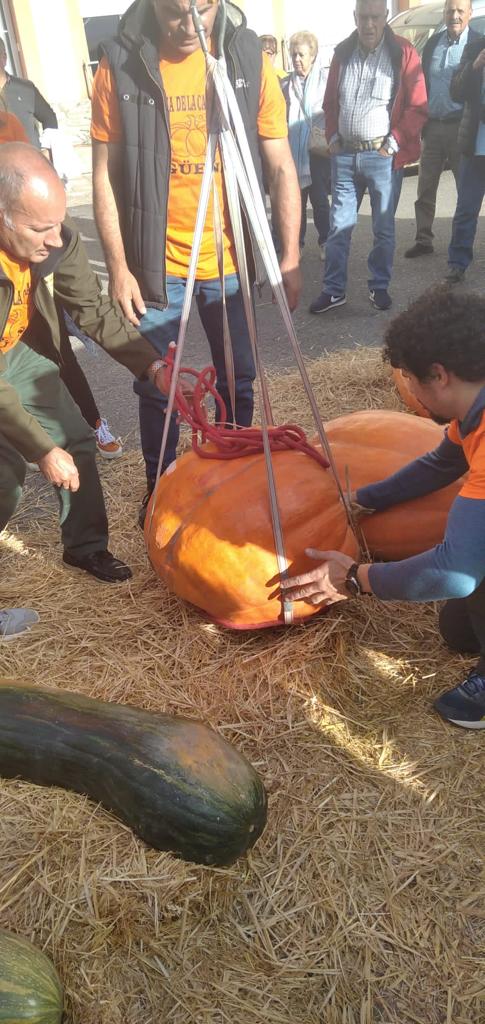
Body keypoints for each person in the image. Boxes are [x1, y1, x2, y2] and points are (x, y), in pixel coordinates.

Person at [91, 0, 301, 525]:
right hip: (157, 267)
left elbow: (279, 164)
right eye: (173, 14)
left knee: (238, 381)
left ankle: (229, 482)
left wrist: (290, 256)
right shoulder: (120, 60)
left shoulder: (247, 54)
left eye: (200, 11)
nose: (188, 26)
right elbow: (103, 174)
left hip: (228, 263)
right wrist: (119, 266)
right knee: (157, 387)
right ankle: (161, 492)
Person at [282, 285, 485, 729]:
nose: (407, 389)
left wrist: (356, 578)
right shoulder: (473, 412)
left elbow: (456, 570)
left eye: (409, 379)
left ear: (439, 375)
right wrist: (364, 499)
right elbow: (439, 465)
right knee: (458, 630)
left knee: (475, 577)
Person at [0, 142, 172, 583]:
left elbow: (92, 308)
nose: (56, 238)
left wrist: (153, 367)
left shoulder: (55, 234)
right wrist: (41, 451)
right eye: (40, 228)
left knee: (75, 439)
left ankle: (85, 548)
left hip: (12, 350)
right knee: (7, 476)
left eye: (58, 223)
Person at [309, 0, 427, 315]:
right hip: (345, 157)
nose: (369, 24)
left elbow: (418, 106)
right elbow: (330, 102)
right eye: (364, 17)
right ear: (355, 17)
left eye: (375, 17)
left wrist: (394, 143)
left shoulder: (404, 53)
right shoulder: (342, 53)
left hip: (383, 157)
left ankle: (379, 287)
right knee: (339, 227)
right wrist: (333, 136)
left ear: (385, 17)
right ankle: (334, 291)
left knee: (384, 228)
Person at [405, 0, 478, 260]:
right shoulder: (434, 44)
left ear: (470, 13)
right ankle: (424, 239)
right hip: (433, 127)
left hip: (462, 127)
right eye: (450, 11)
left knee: (466, 191)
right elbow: (420, 83)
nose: (454, 16)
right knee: (425, 188)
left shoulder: (478, 44)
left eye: (460, 11)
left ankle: (462, 247)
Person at [281, 31, 331, 259]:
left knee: (320, 200)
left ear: (313, 55)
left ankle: (326, 241)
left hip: (317, 150)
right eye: (293, 55)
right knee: (296, 202)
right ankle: (297, 244)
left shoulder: (325, 82)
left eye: (301, 54)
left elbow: (332, 111)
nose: (297, 59)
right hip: (293, 151)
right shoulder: (285, 85)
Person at [445, 31, 485, 284]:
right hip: (475, 145)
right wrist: (475, 65)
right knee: (466, 208)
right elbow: (456, 91)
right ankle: (457, 263)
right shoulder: (474, 49)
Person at [0, 40, 58, 147]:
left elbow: (49, 118)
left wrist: (46, 149)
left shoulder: (26, 89)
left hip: (29, 160)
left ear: (4, 58)